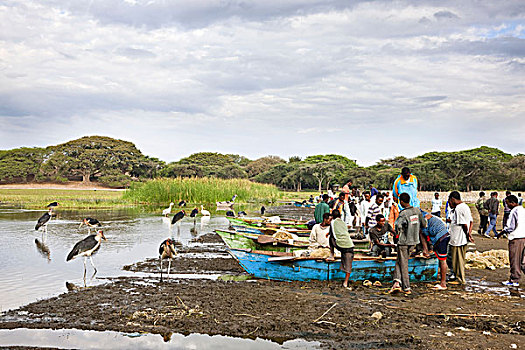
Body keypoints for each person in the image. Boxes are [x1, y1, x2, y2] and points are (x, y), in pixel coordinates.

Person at [389, 193, 427, 295]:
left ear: (401, 201)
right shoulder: (417, 211)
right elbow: (424, 224)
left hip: (404, 241)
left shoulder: (403, 214)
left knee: (404, 263)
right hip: (414, 241)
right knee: (400, 260)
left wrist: (398, 233)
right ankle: (396, 282)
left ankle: (406, 287)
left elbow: (397, 226)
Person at [447, 191, 473, 285]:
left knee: (457, 261)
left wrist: (467, 234)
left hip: (457, 239)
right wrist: (469, 234)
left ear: (453, 199)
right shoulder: (465, 206)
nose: (449, 204)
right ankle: (458, 277)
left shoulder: (458, 208)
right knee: (460, 259)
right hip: (461, 239)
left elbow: (464, 224)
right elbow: (471, 222)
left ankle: (460, 278)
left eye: (449, 201)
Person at [419, 210, 450, 290]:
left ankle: (443, 283)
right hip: (444, 236)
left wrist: (426, 249)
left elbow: (425, 236)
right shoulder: (426, 216)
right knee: (441, 259)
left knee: (443, 260)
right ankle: (442, 278)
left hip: (441, 237)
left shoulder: (423, 220)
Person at [499, 195, 525, 287]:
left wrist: (502, 232)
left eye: (507, 203)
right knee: (523, 261)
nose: (507, 205)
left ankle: (514, 280)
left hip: (516, 238)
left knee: (515, 260)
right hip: (523, 237)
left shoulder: (514, 211)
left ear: (512, 203)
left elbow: (511, 227)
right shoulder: (523, 210)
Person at [329, 209, 354, 289]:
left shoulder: (332, 223)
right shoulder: (343, 223)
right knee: (348, 265)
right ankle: (345, 282)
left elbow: (332, 234)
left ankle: (331, 254)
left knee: (331, 238)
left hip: (340, 244)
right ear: (340, 216)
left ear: (332, 217)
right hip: (350, 245)